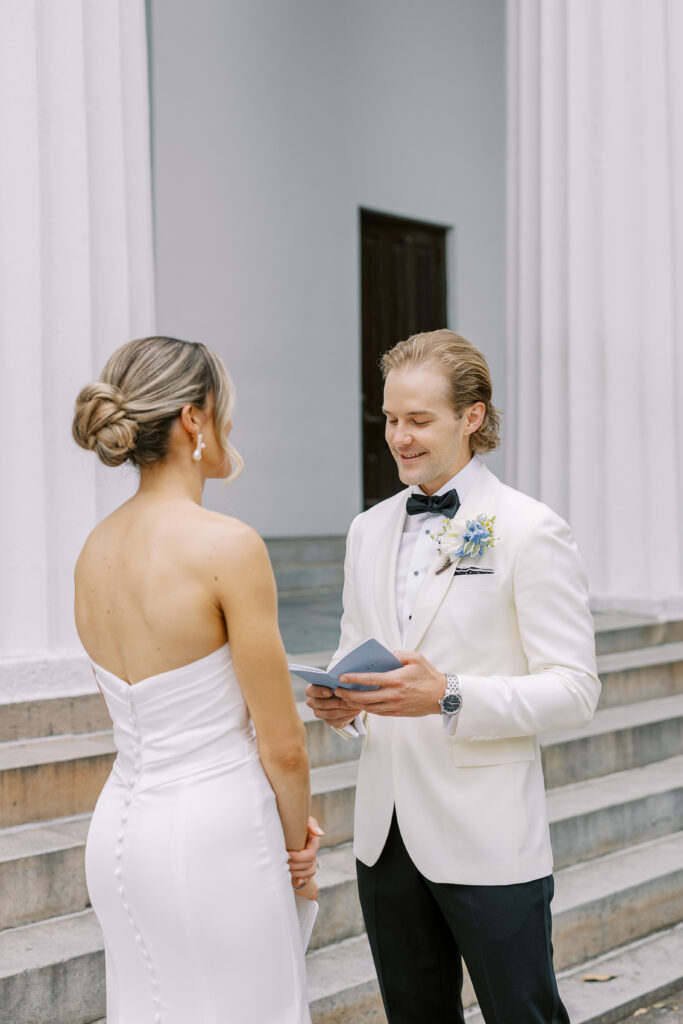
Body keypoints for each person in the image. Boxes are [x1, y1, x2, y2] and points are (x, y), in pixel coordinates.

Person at [307, 329, 600, 1024]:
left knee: (522, 1015)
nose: (399, 437)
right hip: (385, 836)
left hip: (487, 834)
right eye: (389, 419)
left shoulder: (530, 529)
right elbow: (363, 655)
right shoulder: (366, 529)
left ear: (471, 417)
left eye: (419, 420)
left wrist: (449, 694)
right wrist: (341, 704)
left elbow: (574, 688)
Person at [72, 336, 320, 1024]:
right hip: (215, 834)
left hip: (120, 830)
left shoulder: (93, 549)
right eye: (225, 407)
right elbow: (284, 743)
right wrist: (298, 846)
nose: (230, 422)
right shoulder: (226, 546)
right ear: (194, 419)